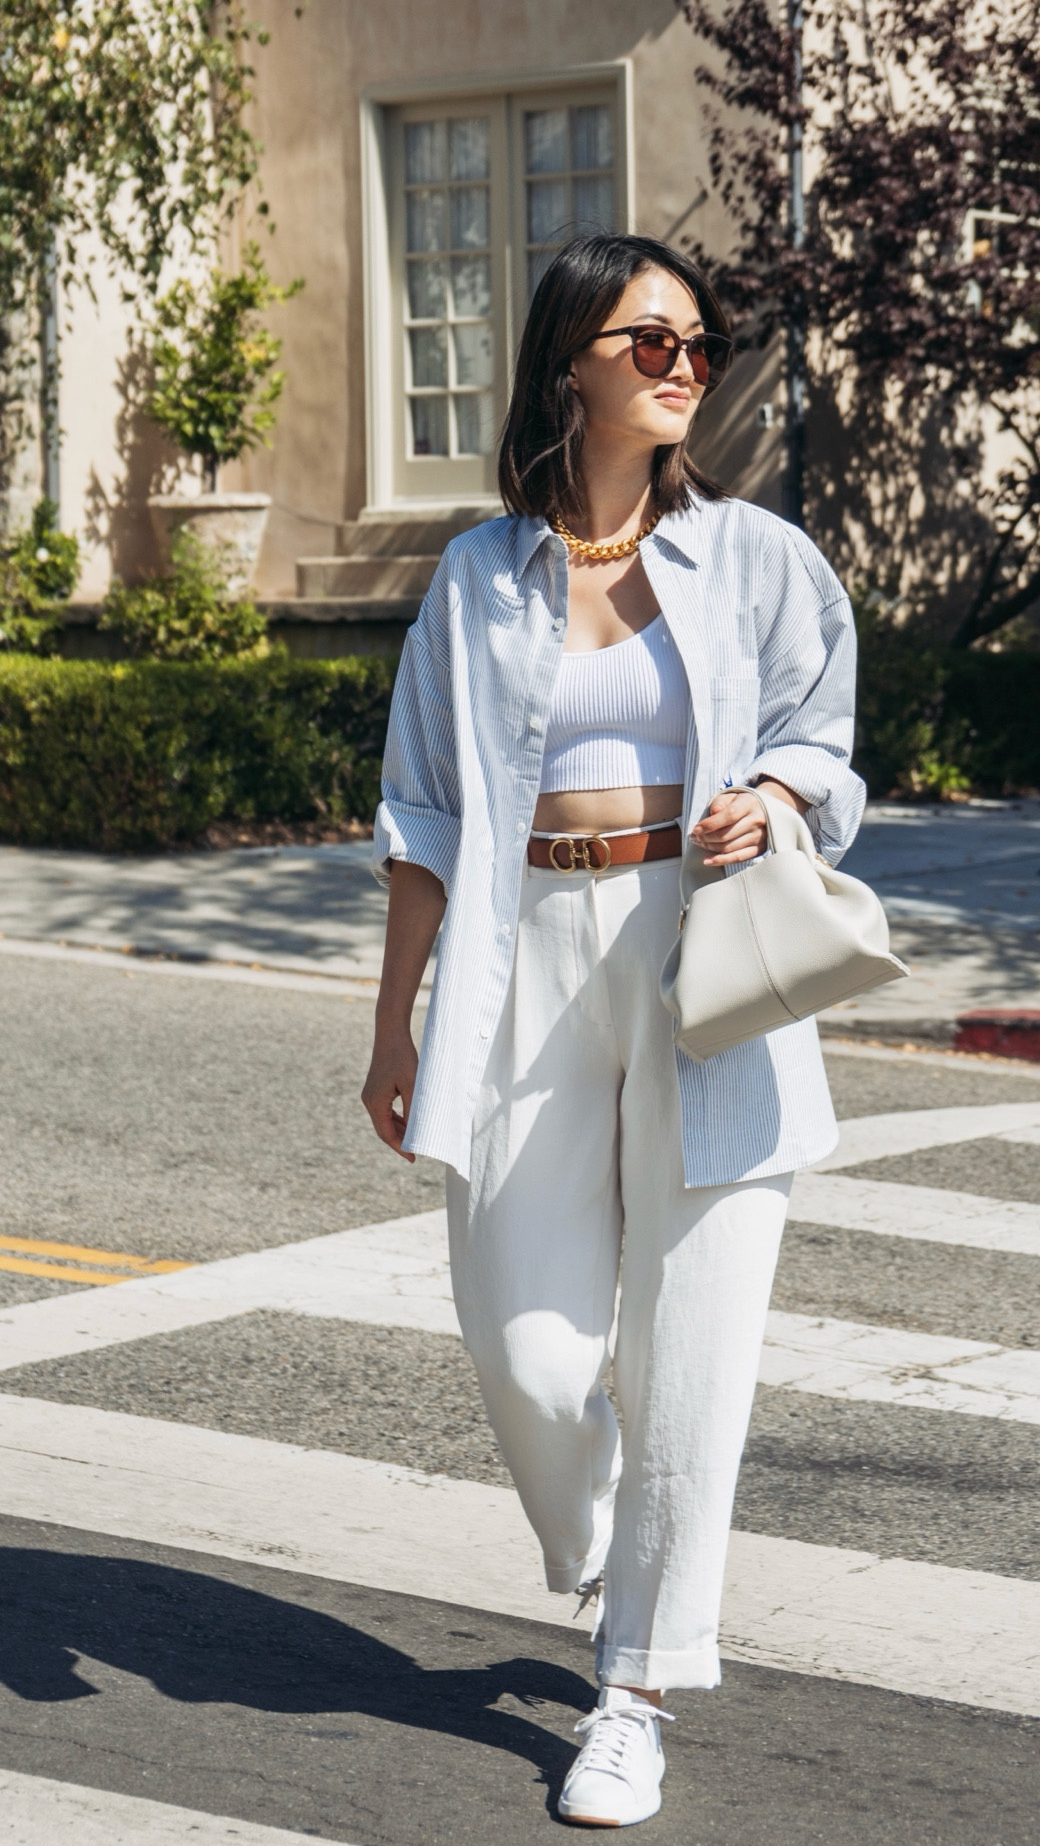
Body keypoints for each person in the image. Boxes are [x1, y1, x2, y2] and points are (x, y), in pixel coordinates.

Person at [361, 233, 864, 1828]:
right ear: (572, 356)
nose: (682, 366)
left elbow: (827, 746)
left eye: (697, 345)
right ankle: (607, 1550)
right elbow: (426, 813)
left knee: (693, 1353)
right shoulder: (473, 578)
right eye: (650, 342)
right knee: (531, 1355)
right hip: (523, 961)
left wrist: (772, 795)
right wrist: (395, 1022)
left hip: (703, 957)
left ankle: (635, 1685)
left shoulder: (763, 561)